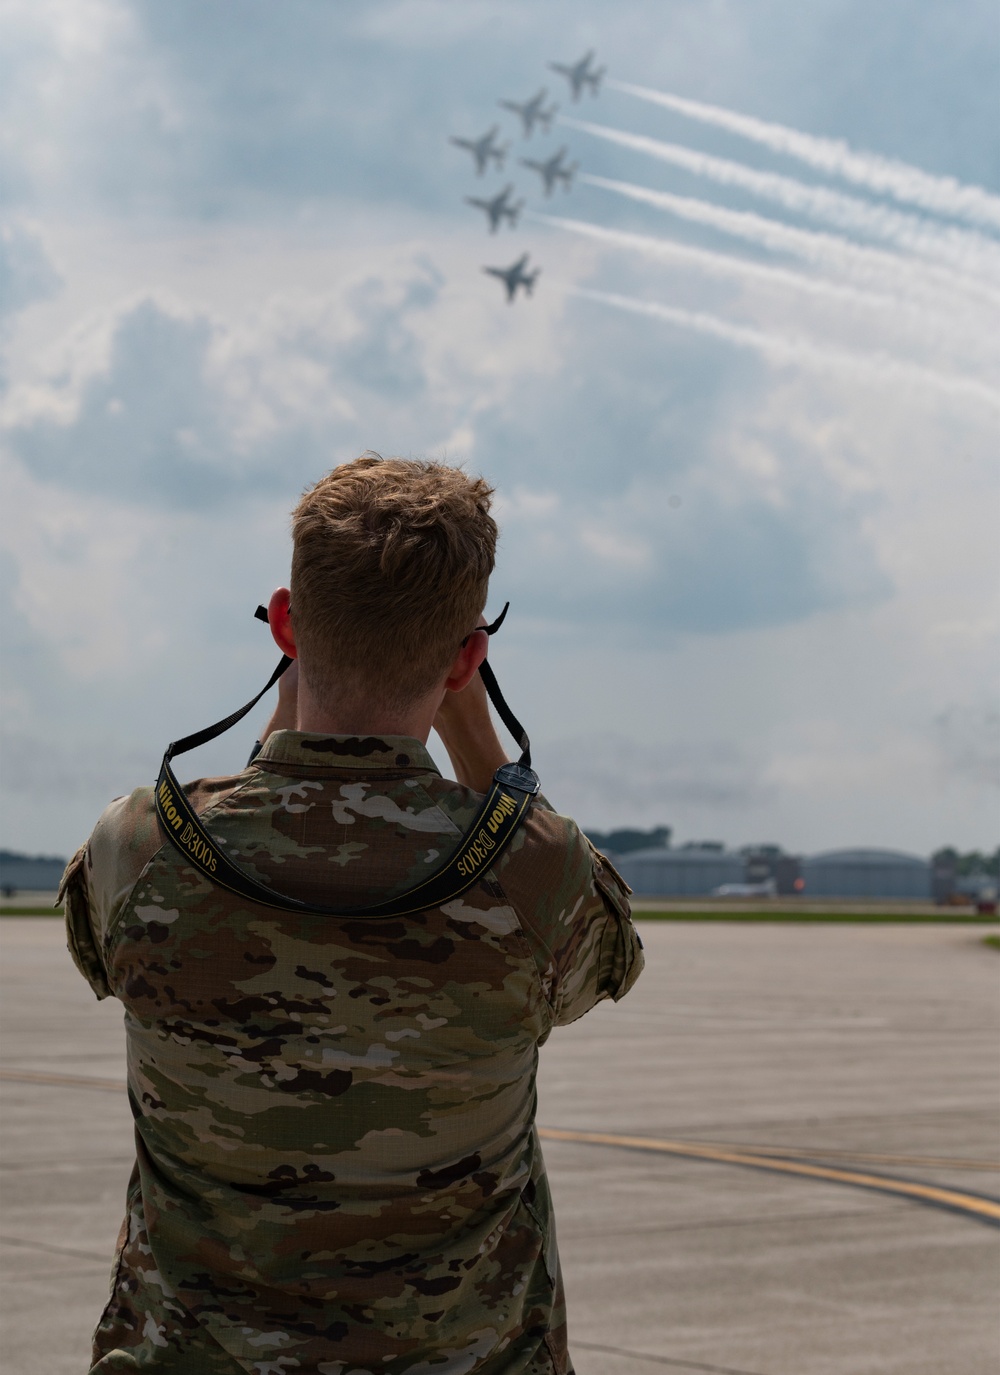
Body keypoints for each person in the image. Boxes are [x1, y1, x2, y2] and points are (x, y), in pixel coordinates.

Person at [61, 454, 644, 1375]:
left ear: (287, 622)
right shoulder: (537, 873)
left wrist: (300, 699)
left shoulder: (143, 847)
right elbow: (609, 958)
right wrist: (475, 733)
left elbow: (137, 932)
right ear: (466, 658)